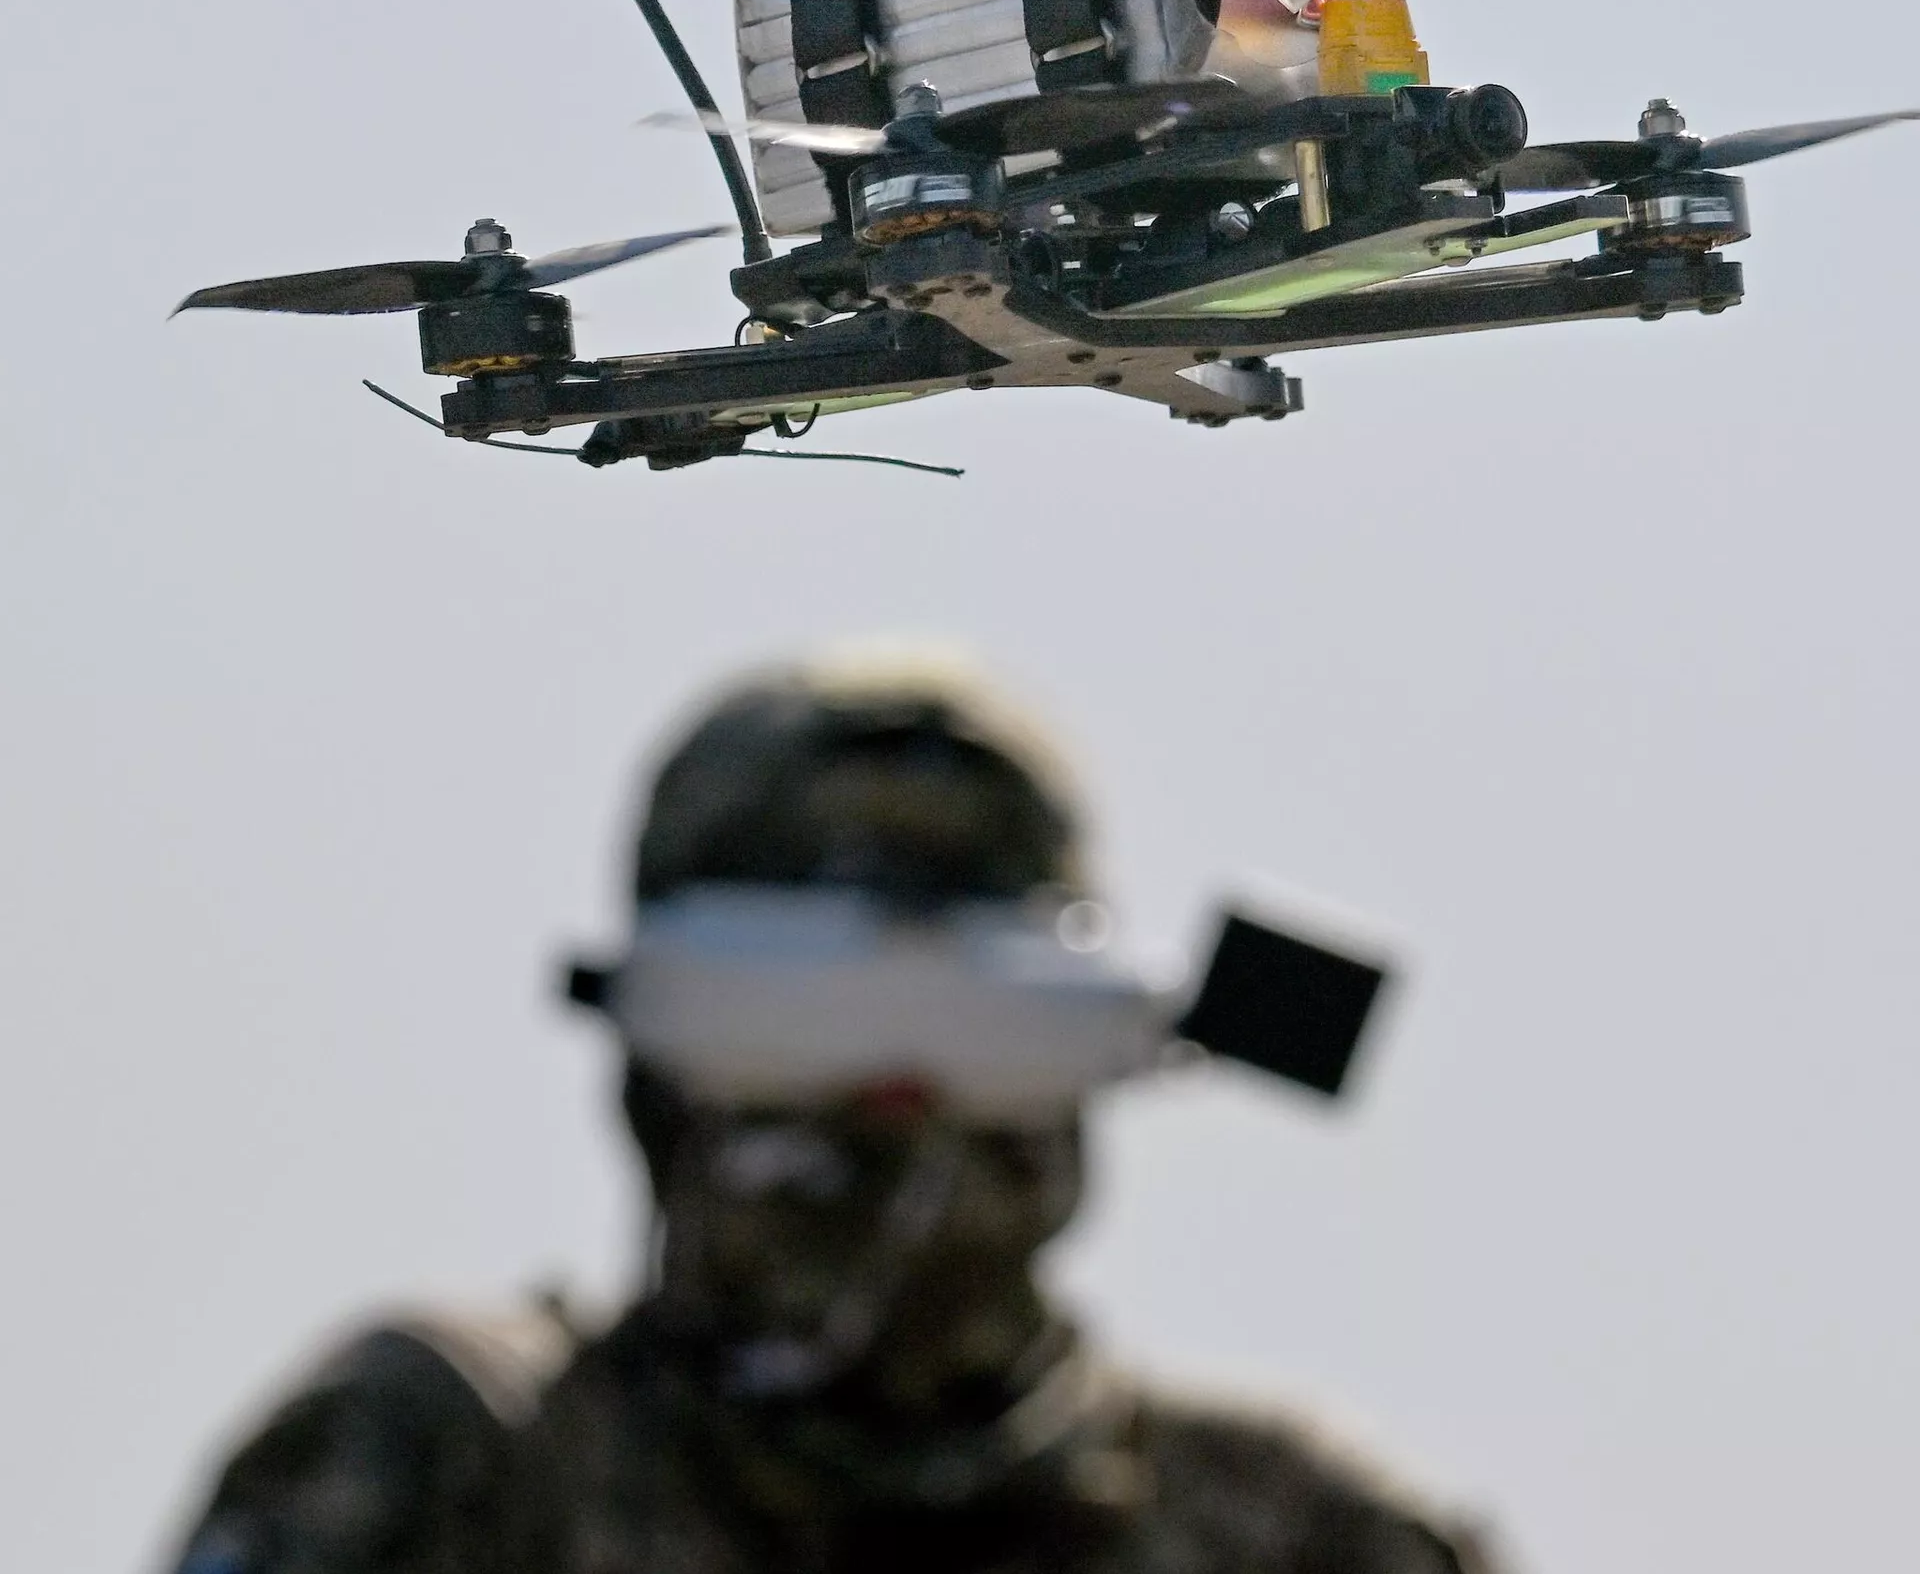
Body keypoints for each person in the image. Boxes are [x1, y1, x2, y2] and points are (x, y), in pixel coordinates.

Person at [165, 655, 1494, 1574]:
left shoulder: (1295, 1536)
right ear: (663, 1080)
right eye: (799, 1040)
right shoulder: (452, 1472)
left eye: (978, 1042)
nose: (894, 1119)